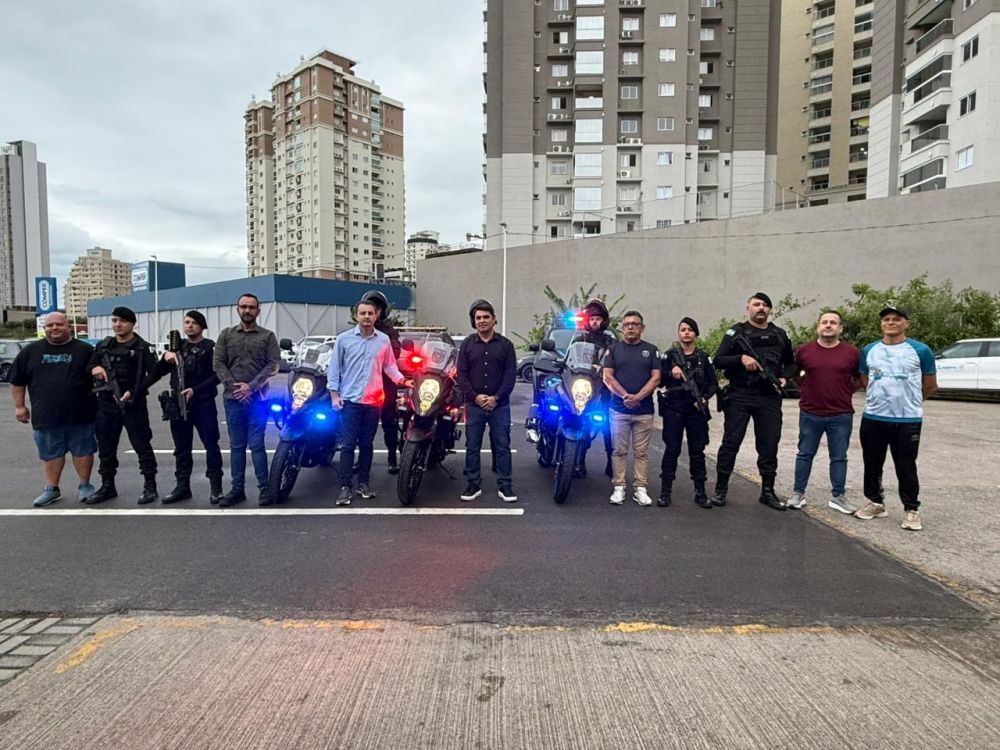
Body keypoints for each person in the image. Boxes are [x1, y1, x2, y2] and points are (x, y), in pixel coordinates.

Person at [854, 304, 937, 531]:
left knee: (906, 465)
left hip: (907, 420)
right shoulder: (870, 350)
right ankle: (875, 502)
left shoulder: (920, 350)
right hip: (874, 417)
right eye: (886, 319)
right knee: (872, 463)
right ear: (881, 324)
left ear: (906, 323)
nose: (890, 323)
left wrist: (910, 402)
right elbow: (865, 380)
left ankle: (911, 509)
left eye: (896, 319)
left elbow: (930, 384)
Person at [712, 293, 796, 511]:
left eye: (765, 305)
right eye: (757, 304)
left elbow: (791, 363)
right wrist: (741, 358)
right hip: (740, 395)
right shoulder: (736, 332)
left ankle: (767, 492)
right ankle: (720, 490)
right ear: (748, 307)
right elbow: (718, 360)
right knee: (731, 443)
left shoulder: (779, 334)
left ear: (769, 310)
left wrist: (784, 378)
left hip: (769, 397)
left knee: (769, 445)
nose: (761, 308)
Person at [328, 296, 412, 506]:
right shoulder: (344, 339)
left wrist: (403, 381)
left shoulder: (383, 340)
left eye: (370, 313)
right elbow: (334, 369)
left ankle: (363, 483)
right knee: (348, 445)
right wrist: (334, 395)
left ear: (376, 316)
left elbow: (389, 366)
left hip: (373, 402)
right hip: (350, 400)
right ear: (356, 316)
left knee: (366, 444)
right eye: (362, 313)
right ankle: (345, 487)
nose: (366, 317)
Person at [10, 312, 98, 507]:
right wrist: (19, 406)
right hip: (45, 415)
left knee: (83, 451)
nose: (54, 328)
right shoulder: (31, 351)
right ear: (45, 329)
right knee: (51, 453)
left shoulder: (85, 350)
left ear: (69, 327)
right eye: (50, 325)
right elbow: (17, 381)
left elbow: (99, 375)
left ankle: (85, 486)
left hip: (81, 414)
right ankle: (51, 489)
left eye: (59, 324)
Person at [788, 310, 861, 514]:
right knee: (805, 454)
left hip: (841, 414)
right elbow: (795, 374)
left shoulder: (852, 353)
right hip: (810, 412)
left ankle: (838, 496)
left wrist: (846, 391)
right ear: (818, 327)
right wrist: (806, 387)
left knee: (839, 456)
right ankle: (798, 494)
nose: (828, 325)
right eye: (824, 322)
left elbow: (859, 378)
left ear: (840, 328)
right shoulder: (804, 350)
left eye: (833, 322)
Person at [149, 311, 224, 504]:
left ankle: (216, 487)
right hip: (178, 404)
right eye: (187, 322)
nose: (189, 326)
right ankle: (182, 487)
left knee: (211, 445)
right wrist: (165, 356)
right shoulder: (177, 348)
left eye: (194, 323)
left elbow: (218, 376)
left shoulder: (210, 348)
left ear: (202, 326)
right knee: (181, 448)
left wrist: (196, 390)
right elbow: (157, 372)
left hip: (203, 403)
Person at [87, 306, 159, 505]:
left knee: (142, 445)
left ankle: (150, 485)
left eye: (122, 321)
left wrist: (135, 392)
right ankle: (107, 486)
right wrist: (96, 367)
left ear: (133, 324)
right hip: (107, 405)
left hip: (133, 405)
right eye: (114, 321)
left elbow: (154, 373)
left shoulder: (142, 347)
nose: (117, 325)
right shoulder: (104, 345)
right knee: (106, 448)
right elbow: (89, 365)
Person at [213, 294, 280, 507]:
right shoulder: (226, 335)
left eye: (251, 307)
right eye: (243, 307)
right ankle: (237, 489)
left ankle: (264, 490)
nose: (247, 310)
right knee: (237, 446)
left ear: (258, 311)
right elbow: (218, 363)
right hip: (232, 400)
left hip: (258, 400)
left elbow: (273, 364)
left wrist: (251, 387)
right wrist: (236, 388)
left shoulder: (268, 336)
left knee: (257, 444)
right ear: (238, 309)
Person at [456, 299, 518, 503]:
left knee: (502, 446)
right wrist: (475, 396)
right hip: (474, 405)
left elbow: (510, 376)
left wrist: (496, 398)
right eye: (478, 318)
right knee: (472, 446)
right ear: (473, 321)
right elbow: (461, 375)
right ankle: (473, 484)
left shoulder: (506, 345)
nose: (482, 321)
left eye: (485, 317)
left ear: (493, 319)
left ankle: (505, 485)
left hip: (499, 405)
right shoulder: (467, 345)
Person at [657, 317, 718, 508]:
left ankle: (700, 492)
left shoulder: (703, 357)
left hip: (695, 410)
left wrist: (705, 398)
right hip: (674, 408)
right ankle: (665, 492)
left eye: (690, 330)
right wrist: (671, 370)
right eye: (682, 329)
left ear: (695, 334)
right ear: (678, 333)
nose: (686, 333)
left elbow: (713, 383)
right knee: (672, 449)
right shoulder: (669, 356)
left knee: (697, 451)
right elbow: (660, 381)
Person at [603, 310, 661, 506]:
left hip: (644, 411)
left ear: (642, 328)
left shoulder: (651, 350)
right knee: (618, 451)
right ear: (622, 328)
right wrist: (625, 396)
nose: (630, 327)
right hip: (619, 410)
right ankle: (619, 487)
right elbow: (608, 377)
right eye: (627, 324)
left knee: (641, 453)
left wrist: (638, 397)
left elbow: (656, 378)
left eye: (635, 324)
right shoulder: (613, 350)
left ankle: (640, 488)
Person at [571, 298, 615, 478]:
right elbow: (571, 359)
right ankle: (577, 461)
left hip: (603, 388)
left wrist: (604, 366)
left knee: (608, 427)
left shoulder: (610, 341)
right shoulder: (579, 339)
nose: (595, 322)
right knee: (580, 423)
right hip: (583, 387)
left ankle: (611, 463)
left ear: (603, 321)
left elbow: (615, 361)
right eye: (592, 319)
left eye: (598, 319)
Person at [361, 290, 403, 475]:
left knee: (389, 424)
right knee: (362, 427)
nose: (373, 312)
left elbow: (395, 353)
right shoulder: (357, 332)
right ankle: (361, 461)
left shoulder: (389, 332)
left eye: (377, 308)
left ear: (381, 311)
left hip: (385, 386)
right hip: (363, 386)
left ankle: (392, 458)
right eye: (369, 308)